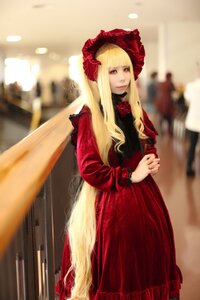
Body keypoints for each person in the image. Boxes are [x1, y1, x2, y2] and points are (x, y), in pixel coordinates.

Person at [56, 29, 182, 300]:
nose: (123, 77)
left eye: (126, 69)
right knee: (121, 275)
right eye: (113, 71)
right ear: (99, 75)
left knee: (147, 268)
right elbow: (90, 169)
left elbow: (147, 145)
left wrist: (150, 161)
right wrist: (130, 176)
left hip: (144, 201)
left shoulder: (134, 108)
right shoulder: (91, 116)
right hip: (111, 209)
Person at [184, 75, 200, 176]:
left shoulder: (191, 86)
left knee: (192, 145)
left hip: (193, 121)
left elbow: (187, 100)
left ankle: (189, 167)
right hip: (193, 121)